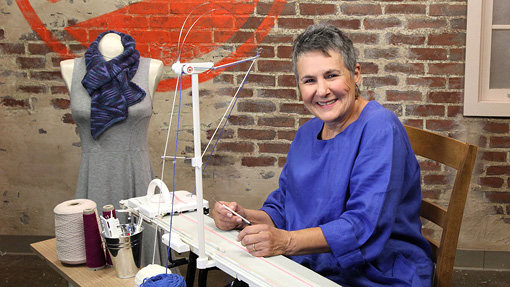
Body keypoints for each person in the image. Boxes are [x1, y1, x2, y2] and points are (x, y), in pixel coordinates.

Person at [212, 24, 434, 286]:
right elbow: (286, 206)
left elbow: (363, 226)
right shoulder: (307, 133)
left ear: (356, 74)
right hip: (314, 263)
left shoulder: (380, 129)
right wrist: (242, 218)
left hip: (377, 272)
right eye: (309, 80)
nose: (322, 90)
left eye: (331, 75)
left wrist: (286, 241)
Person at [60, 31, 166, 266]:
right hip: (92, 178)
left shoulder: (151, 67)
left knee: (143, 264)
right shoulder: (71, 68)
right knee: (94, 257)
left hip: (136, 178)